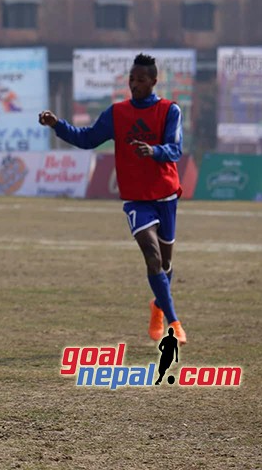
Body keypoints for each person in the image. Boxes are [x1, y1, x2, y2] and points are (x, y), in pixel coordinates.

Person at [39, 53, 187, 345]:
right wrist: (58, 125)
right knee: (151, 253)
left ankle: (158, 306)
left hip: (165, 194)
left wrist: (154, 151)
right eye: (131, 79)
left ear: (154, 82)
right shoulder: (117, 113)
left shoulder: (170, 110)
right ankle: (174, 323)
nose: (134, 84)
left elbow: (175, 149)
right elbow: (87, 138)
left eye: (141, 80)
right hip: (136, 198)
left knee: (165, 265)